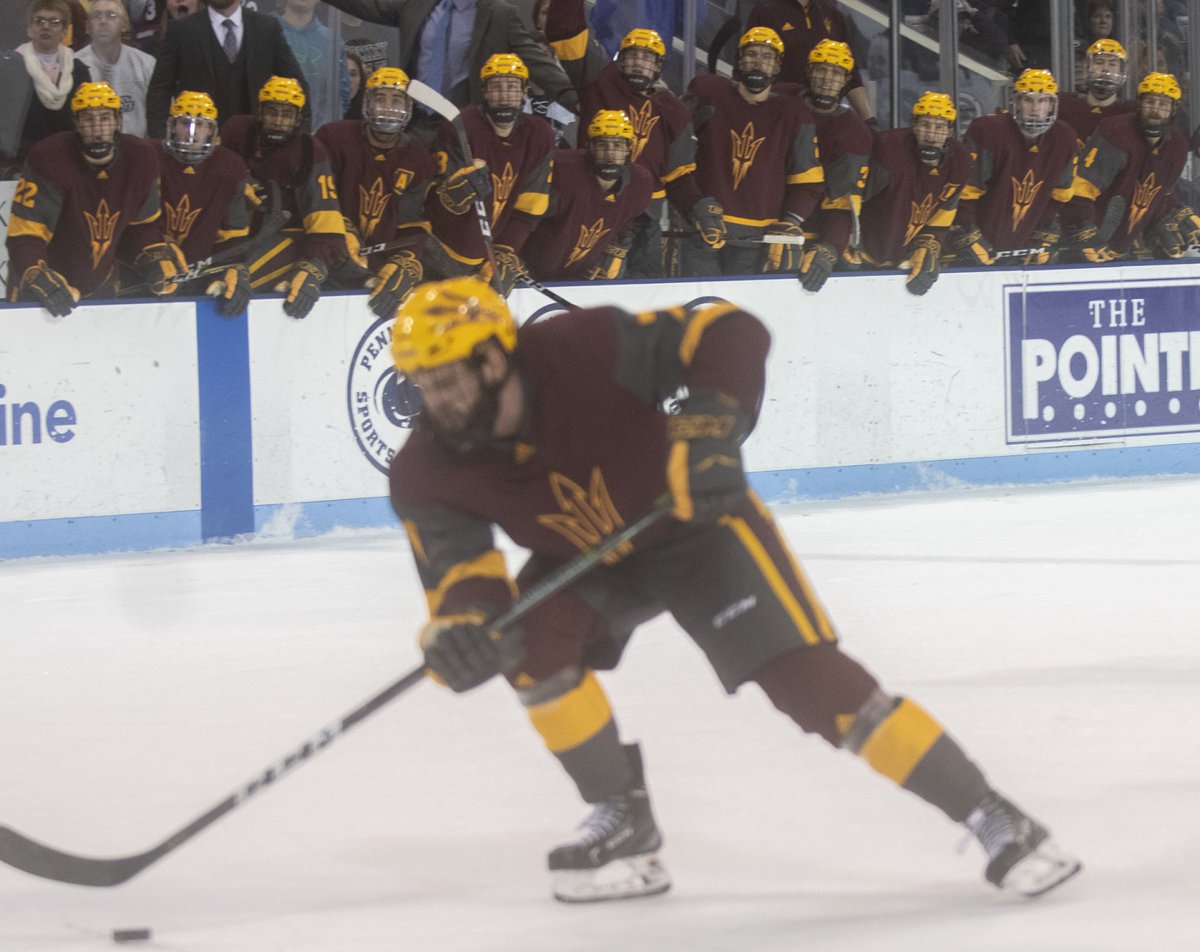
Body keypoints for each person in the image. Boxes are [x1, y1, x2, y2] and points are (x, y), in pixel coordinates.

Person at [387, 275, 1085, 903]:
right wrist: (462, 634)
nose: (436, 400)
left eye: (446, 379)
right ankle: (621, 815)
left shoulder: (584, 346)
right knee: (527, 647)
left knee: (811, 686)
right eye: (422, 384)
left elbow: (727, 330)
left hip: (695, 526)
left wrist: (709, 427)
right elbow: (460, 577)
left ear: (492, 358)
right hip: (585, 560)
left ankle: (993, 813)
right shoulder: (426, 469)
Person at [6, 81, 184, 315]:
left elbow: (142, 228)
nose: (98, 130)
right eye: (88, 120)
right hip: (41, 291)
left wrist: (154, 257)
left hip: (103, 286)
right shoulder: (48, 158)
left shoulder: (142, 159)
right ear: (76, 124)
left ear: (118, 121)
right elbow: (25, 235)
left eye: (105, 119)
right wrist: (35, 273)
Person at [578, 28, 725, 279]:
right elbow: (567, 35)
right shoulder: (599, 85)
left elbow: (678, 178)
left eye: (647, 58)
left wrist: (696, 207)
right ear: (620, 60)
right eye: (632, 56)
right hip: (595, 214)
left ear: (658, 66)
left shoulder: (674, 111)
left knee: (646, 296)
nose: (638, 64)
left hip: (647, 222)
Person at [682, 27, 824, 277]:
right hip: (701, 231)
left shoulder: (794, 114)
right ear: (739, 61)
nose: (758, 62)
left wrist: (790, 222)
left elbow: (809, 181)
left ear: (777, 66)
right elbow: (675, 156)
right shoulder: (709, 94)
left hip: (757, 240)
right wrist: (686, 206)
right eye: (752, 54)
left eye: (767, 57)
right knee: (698, 313)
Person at [423, 54, 555, 292]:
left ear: (525, 92)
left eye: (512, 87)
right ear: (484, 91)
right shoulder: (459, 127)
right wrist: (450, 198)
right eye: (496, 86)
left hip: (491, 256)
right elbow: (430, 207)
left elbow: (528, 209)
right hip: (437, 254)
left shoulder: (539, 134)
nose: (504, 95)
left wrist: (505, 252)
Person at [220, 76, 348, 319]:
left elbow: (328, 230)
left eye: (287, 115)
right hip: (232, 234)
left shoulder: (311, 152)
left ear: (299, 119)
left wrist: (313, 266)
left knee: (233, 281)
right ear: (259, 112)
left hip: (286, 237)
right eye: (272, 112)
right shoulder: (235, 131)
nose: (278, 122)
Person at [315, 67, 439, 318]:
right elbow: (316, 200)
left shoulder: (419, 157)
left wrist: (406, 261)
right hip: (329, 261)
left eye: (397, 100)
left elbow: (412, 224)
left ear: (409, 106)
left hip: (380, 267)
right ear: (366, 103)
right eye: (380, 98)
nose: (388, 107)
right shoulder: (333, 138)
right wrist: (340, 230)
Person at [318, 0, 577, 113]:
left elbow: (534, 58)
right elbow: (369, 5)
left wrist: (573, 99)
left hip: (463, 122)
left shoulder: (499, 14)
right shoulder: (416, 4)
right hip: (414, 118)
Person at [498, 109, 655, 283]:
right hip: (528, 276)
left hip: (578, 281)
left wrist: (614, 253)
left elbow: (627, 223)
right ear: (591, 147)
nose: (610, 154)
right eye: (603, 145)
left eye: (618, 146)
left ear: (628, 149)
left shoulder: (640, 183)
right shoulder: (564, 172)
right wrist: (510, 251)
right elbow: (523, 214)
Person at [1061, 72, 1199, 262]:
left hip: (1125, 251)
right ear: (1139, 103)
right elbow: (1081, 189)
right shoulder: (1115, 133)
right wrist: (1082, 230)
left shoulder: (1177, 145)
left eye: (1163, 104)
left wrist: (1168, 213)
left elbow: (1160, 195)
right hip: (1088, 249)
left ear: (1174, 109)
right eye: (1150, 102)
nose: (1155, 110)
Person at [949, 69, 1076, 266]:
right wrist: (969, 237)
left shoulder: (1064, 138)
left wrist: (1044, 238)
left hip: (1024, 254)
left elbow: (1059, 197)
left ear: (1052, 105)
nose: (1035, 108)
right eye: (1028, 100)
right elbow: (964, 194)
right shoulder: (989, 131)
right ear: (1016, 102)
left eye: (1043, 101)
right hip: (978, 252)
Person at [855, 92, 974, 295]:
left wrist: (928, 246)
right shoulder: (888, 149)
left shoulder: (960, 161)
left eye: (939, 127)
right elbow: (855, 200)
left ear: (949, 131)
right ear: (914, 126)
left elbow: (944, 212)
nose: (931, 134)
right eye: (926, 125)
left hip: (905, 264)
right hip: (861, 259)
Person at [146, 0, 308, 140]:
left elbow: (297, 84)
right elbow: (159, 90)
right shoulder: (181, 31)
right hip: (197, 144)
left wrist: (301, 139)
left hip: (257, 146)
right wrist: (160, 141)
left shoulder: (266, 28)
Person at [156, 90, 255, 316]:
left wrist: (234, 268)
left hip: (201, 274)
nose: (192, 133)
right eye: (185, 123)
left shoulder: (230, 167)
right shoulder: (148, 158)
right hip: (148, 273)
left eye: (200, 124)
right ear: (172, 126)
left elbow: (234, 235)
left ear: (211, 130)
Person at [793, 39, 873, 293]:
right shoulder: (783, 101)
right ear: (809, 71)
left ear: (846, 81)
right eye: (821, 69)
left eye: (837, 73)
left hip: (808, 239)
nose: (828, 78)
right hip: (760, 231)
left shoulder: (854, 132)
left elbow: (844, 201)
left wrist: (830, 246)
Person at [746, 0, 875, 124]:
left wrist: (869, 120)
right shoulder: (765, 12)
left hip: (826, 117)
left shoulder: (833, 15)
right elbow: (747, 67)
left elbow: (850, 74)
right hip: (779, 115)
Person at [15, 0, 91, 166]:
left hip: (70, 160)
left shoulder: (79, 71)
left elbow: (84, 120)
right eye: (39, 21)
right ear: (29, 28)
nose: (45, 26)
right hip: (22, 161)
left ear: (65, 31)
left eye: (54, 22)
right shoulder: (13, 67)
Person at [76, 0, 157, 138]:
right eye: (97, 15)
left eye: (111, 15)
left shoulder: (146, 64)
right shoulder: (75, 66)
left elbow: (158, 115)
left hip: (138, 149)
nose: (103, 21)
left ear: (124, 25)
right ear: (87, 27)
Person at [276, 0, 349, 131]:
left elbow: (341, 96)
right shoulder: (264, 30)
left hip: (318, 138)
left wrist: (324, 132)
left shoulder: (333, 41)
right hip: (274, 129)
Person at [1056, 39, 1135, 149]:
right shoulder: (1064, 105)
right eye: (1099, 62)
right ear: (1087, 67)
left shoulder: (1131, 113)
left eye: (1112, 64)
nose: (1105, 69)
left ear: (1122, 72)